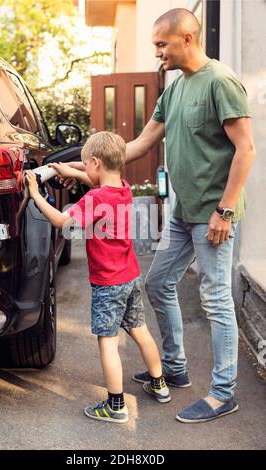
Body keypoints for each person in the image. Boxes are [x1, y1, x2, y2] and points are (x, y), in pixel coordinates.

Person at [123, 8, 255, 423]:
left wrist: (225, 210)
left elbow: (245, 149)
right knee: (158, 282)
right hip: (183, 210)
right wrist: (83, 163)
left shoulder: (221, 81)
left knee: (216, 300)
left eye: (162, 44)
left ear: (188, 38)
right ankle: (176, 369)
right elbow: (141, 143)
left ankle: (222, 393)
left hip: (213, 213)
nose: (157, 53)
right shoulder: (175, 87)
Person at [25, 131, 171, 425]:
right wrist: (68, 170)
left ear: (95, 162)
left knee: (107, 341)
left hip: (108, 283)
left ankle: (116, 405)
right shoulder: (123, 189)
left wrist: (35, 195)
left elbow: (61, 221)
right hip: (130, 276)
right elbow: (95, 179)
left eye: (84, 164)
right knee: (140, 330)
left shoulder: (94, 198)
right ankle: (159, 383)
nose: (83, 169)